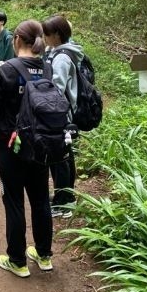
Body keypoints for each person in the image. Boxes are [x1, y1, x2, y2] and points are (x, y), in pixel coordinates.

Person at [0, 20, 53, 277]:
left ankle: (17, 260)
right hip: (42, 143)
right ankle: (44, 255)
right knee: (40, 199)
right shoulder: (47, 67)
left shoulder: (5, 70)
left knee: (13, 201)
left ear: (17, 41)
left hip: (11, 144)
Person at [42, 15, 84, 218]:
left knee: (60, 158)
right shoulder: (62, 52)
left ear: (56, 35)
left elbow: (56, 89)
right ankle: (65, 196)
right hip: (64, 112)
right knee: (65, 156)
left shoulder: (61, 58)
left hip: (60, 113)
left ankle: (64, 203)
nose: (45, 38)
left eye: (47, 34)